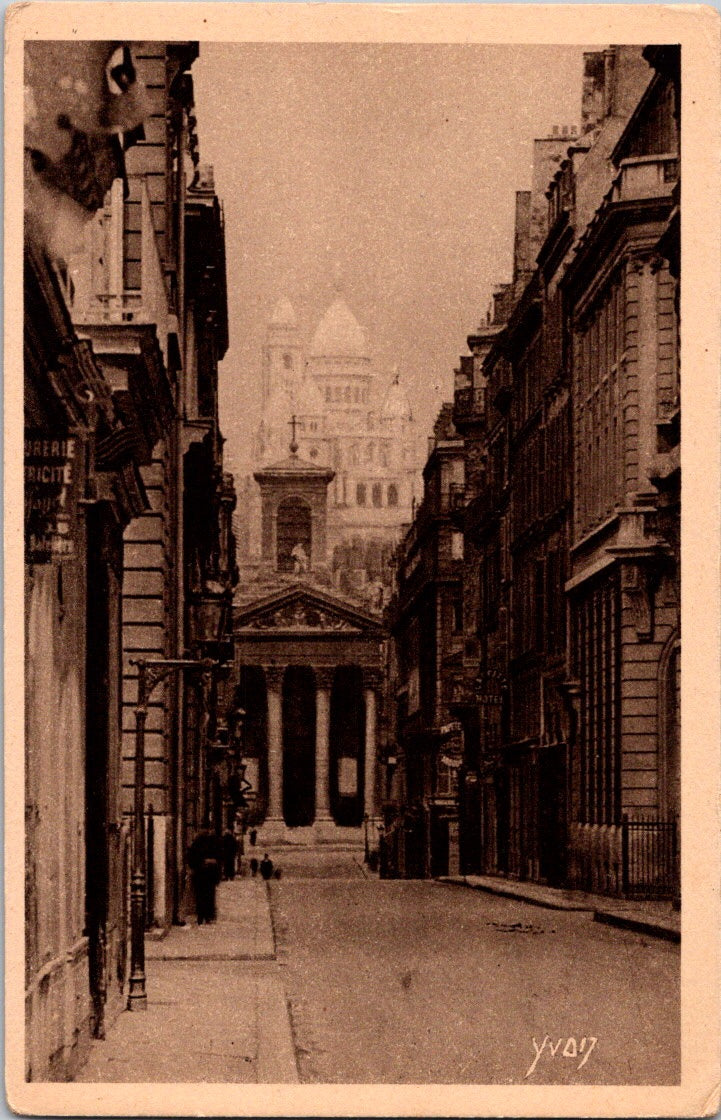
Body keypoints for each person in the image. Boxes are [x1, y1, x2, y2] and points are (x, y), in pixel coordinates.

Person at [186, 827, 221, 924]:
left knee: (200, 896)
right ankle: (207, 916)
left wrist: (200, 863)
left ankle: (201, 916)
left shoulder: (196, 844)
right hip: (209, 875)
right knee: (209, 895)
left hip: (200, 875)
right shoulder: (213, 843)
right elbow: (218, 859)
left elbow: (191, 859)